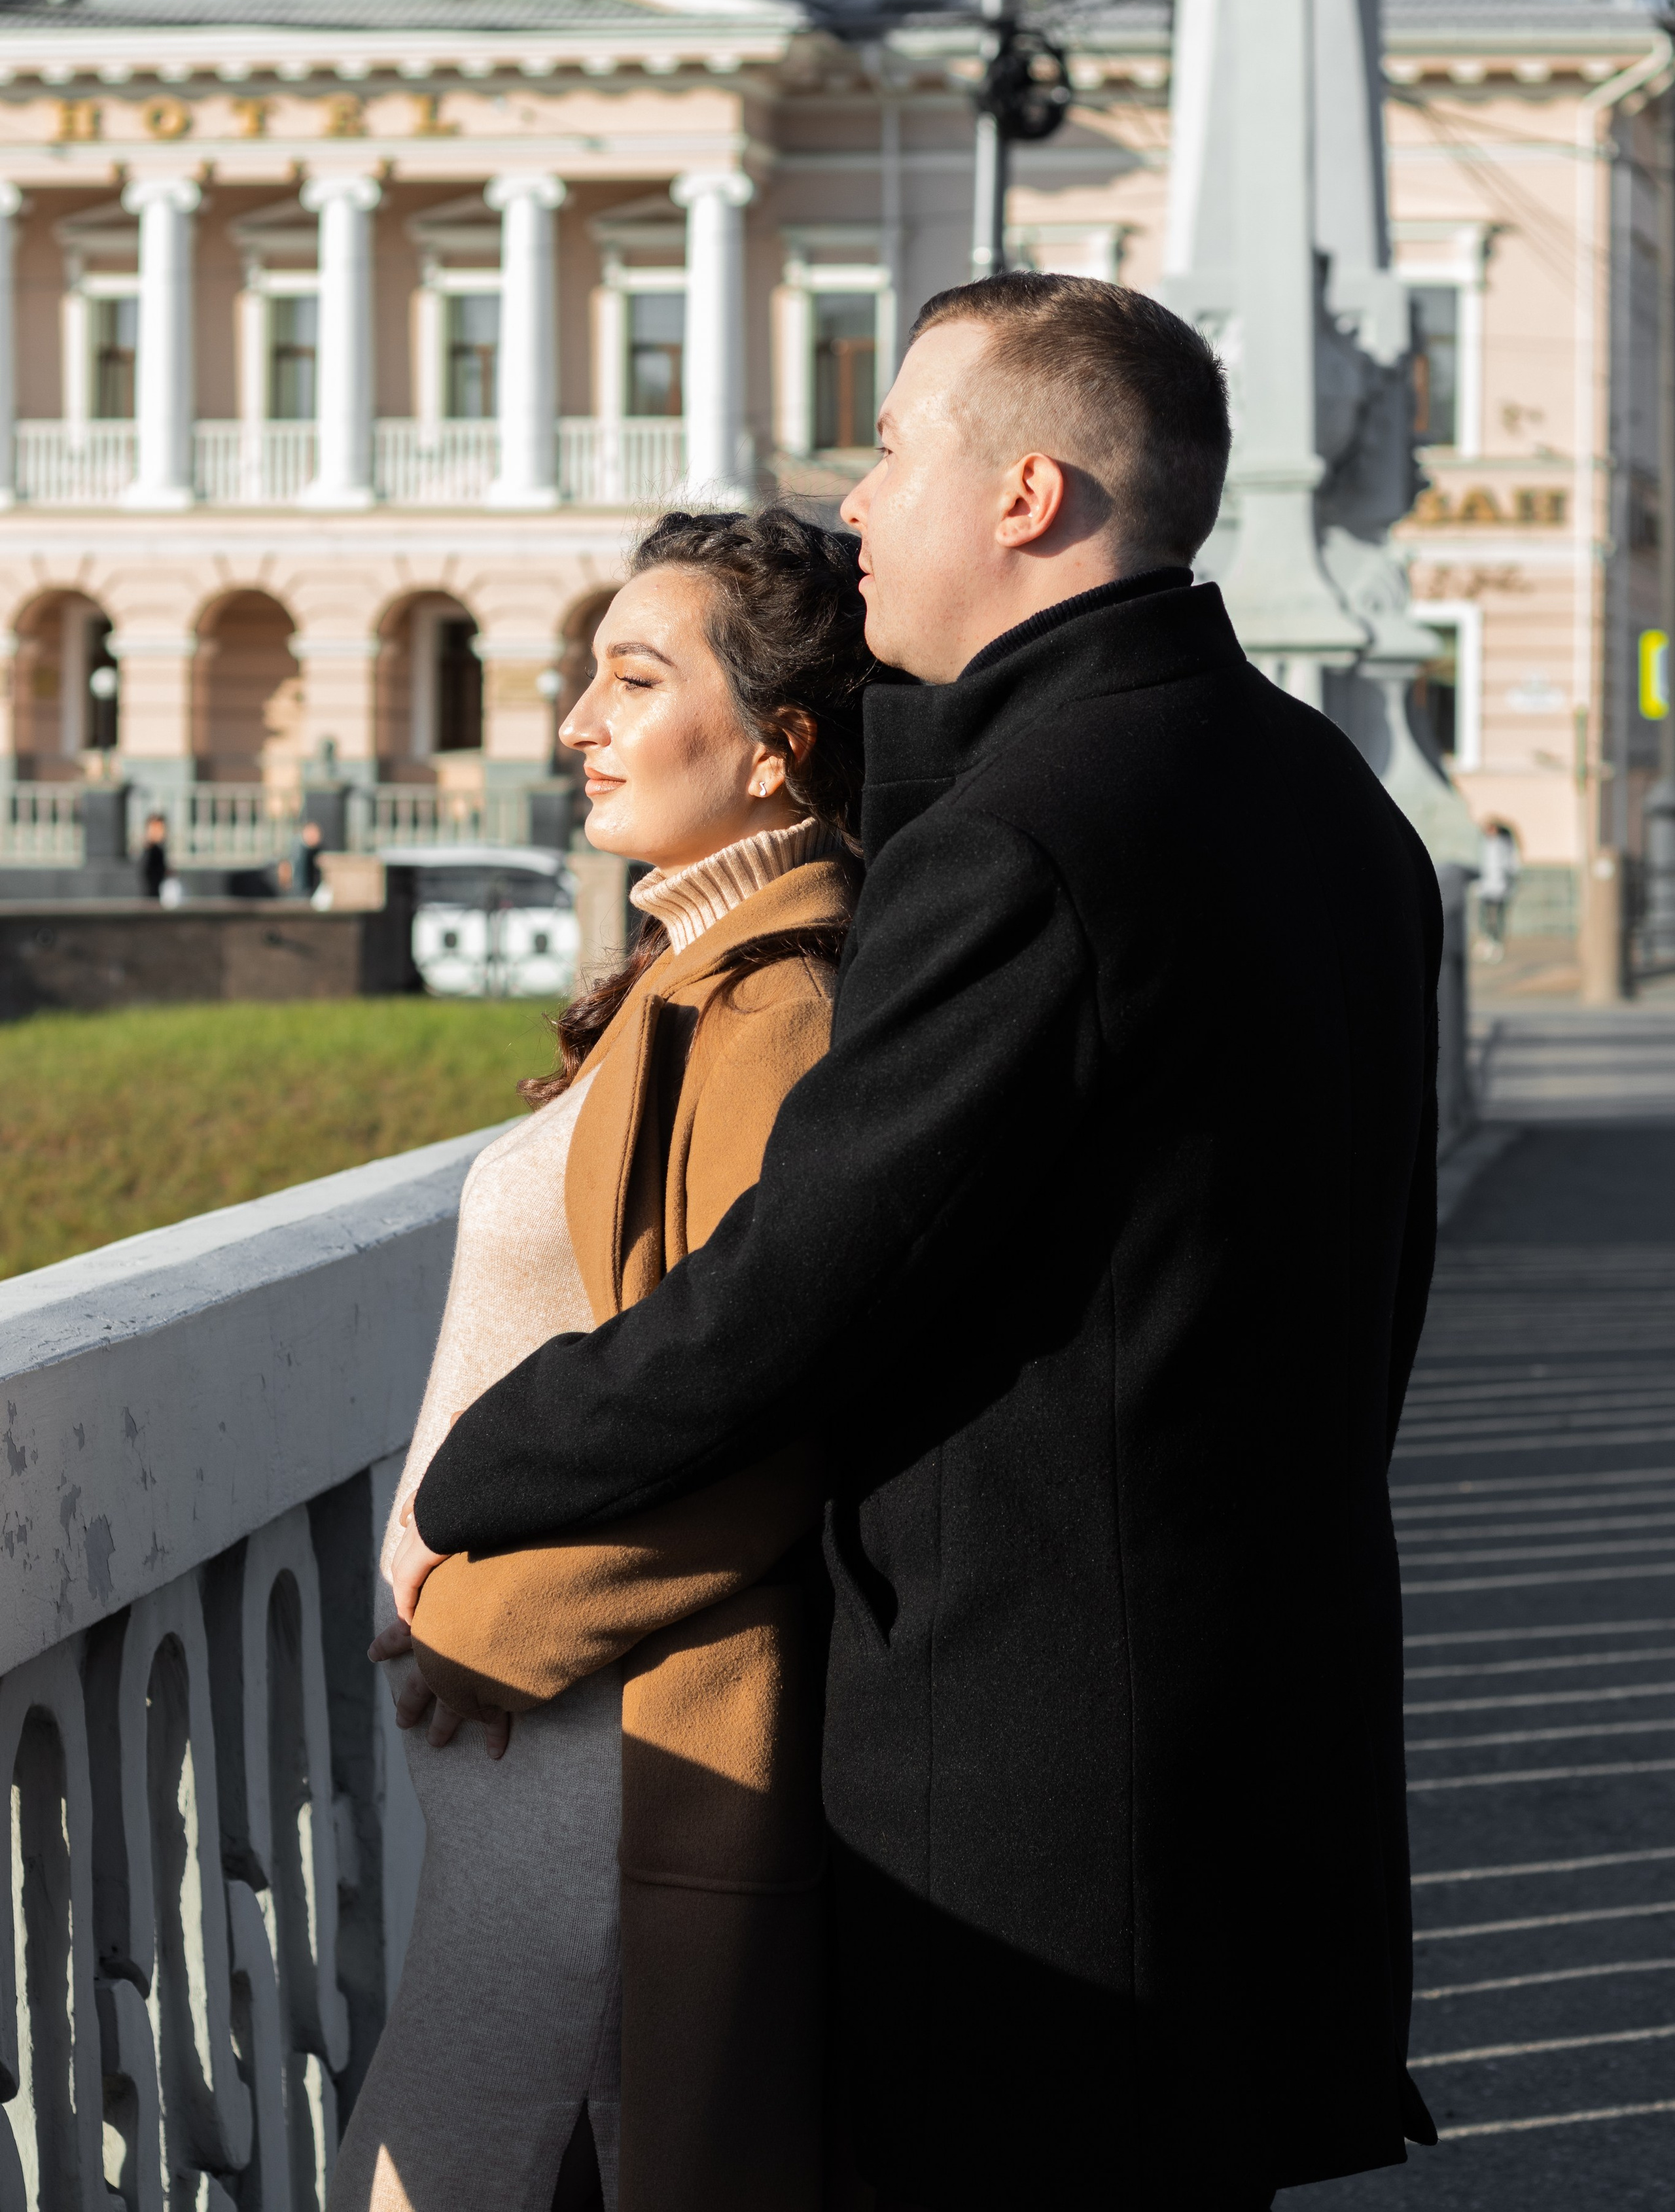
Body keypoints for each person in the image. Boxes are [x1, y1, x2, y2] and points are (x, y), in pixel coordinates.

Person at [404, 275, 1443, 2210]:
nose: (859, 501)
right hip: (1254, 1731)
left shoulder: (1033, 831)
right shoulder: (1328, 800)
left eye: (892, 447)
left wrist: (479, 1478)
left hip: (1030, 1792)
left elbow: (796, 1287)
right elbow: (1379, 1279)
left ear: (1025, 493)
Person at [331, 509, 870, 2212]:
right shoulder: (691, 974)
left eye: (634, 680)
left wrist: (488, 1626)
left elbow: (772, 1416)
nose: (576, 722)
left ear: (778, 748)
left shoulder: (773, 1012)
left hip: (588, 1737)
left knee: (448, 2180)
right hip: (531, 1741)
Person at [1475, 818, 1520, 960]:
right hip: (1485, 886)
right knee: (1483, 916)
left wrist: (1509, 881)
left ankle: (1497, 943)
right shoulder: (1482, 844)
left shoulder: (1505, 844)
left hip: (1500, 886)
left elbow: (1512, 865)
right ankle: (1486, 940)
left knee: (1498, 917)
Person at [137, 810, 169, 899]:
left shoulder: (157, 850)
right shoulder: (151, 851)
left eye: (161, 828)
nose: (158, 832)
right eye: (155, 828)